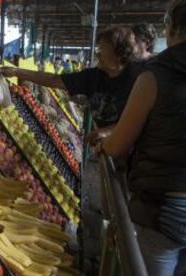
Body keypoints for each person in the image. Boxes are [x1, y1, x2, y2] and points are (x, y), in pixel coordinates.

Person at [95, 1, 186, 274]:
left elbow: (119, 142)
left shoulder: (156, 76)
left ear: (172, 29)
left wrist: (104, 144)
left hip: (165, 209)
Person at [0, 26, 142, 128]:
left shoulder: (137, 80)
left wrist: (107, 132)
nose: (98, 53)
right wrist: (16, 71)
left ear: (117, 54)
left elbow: (139, 122)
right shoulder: (92, 76)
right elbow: (53, 80)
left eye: (103, 48)